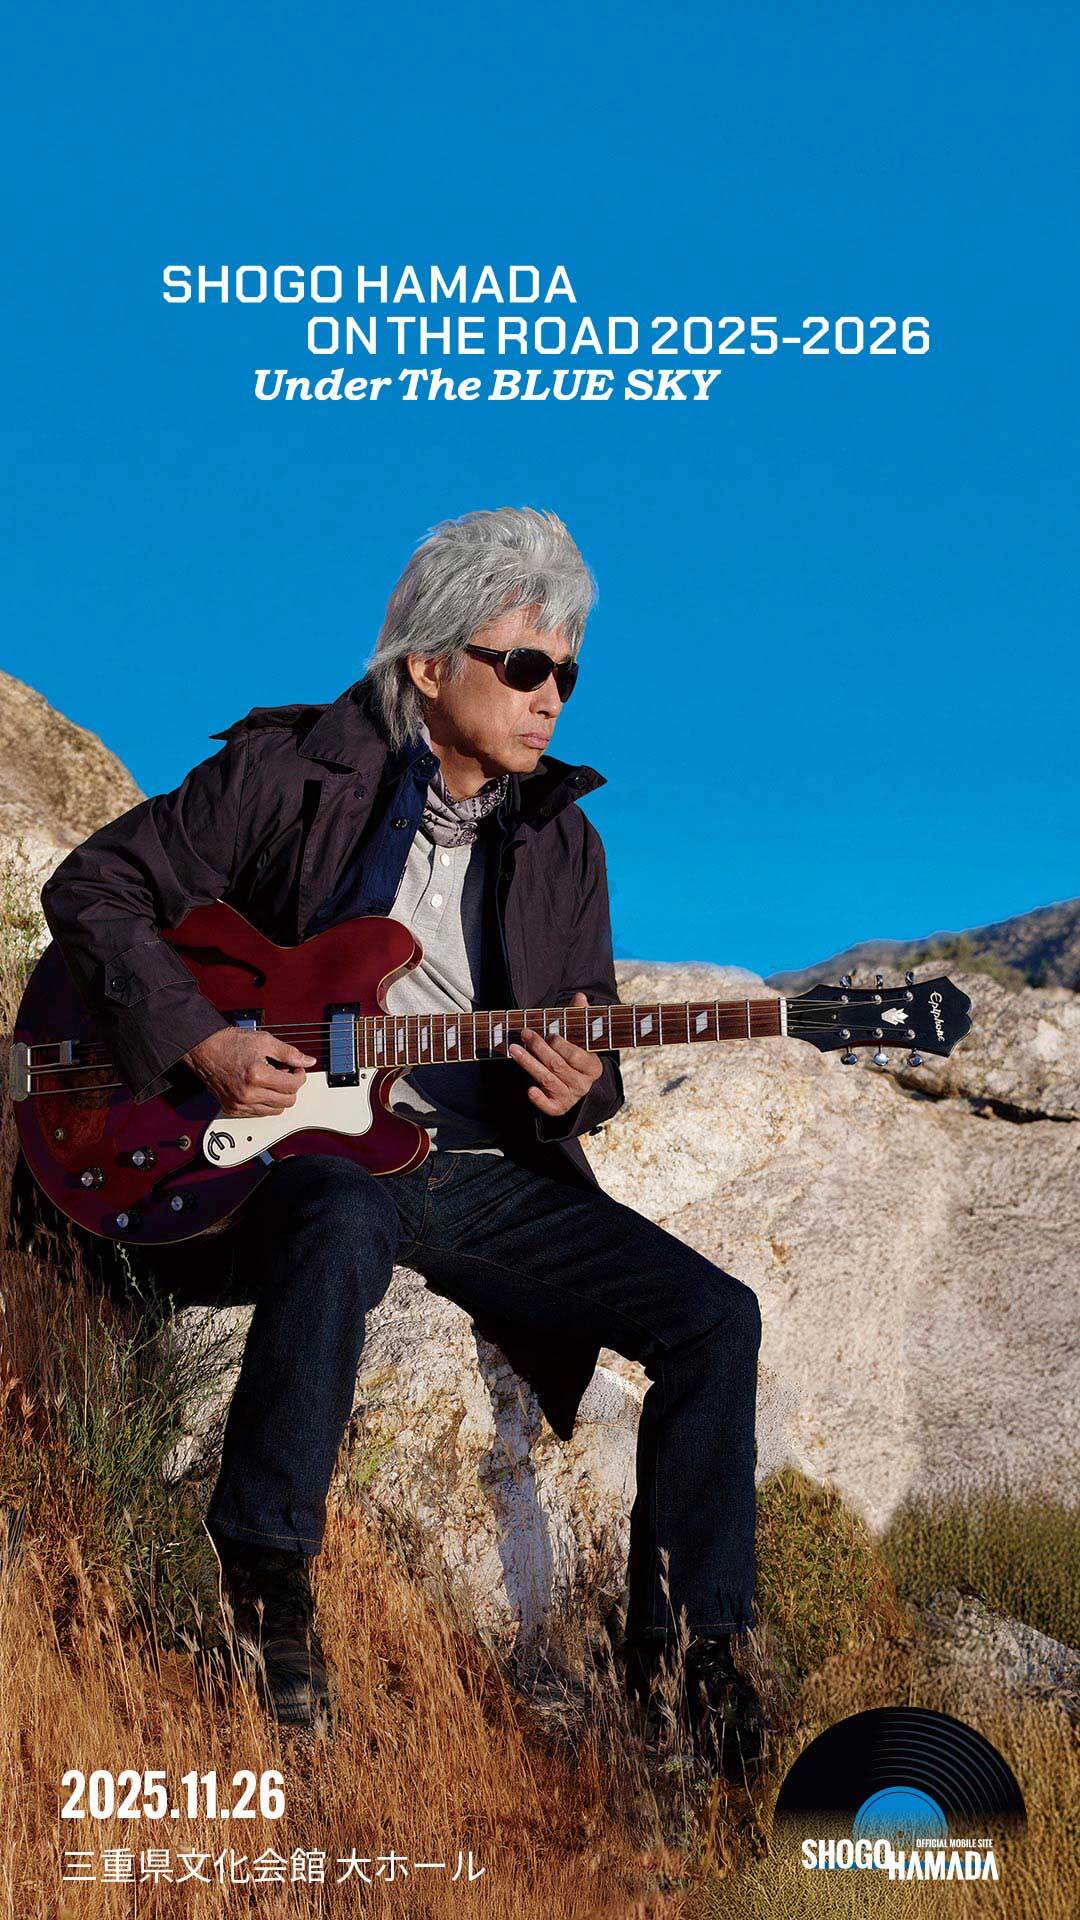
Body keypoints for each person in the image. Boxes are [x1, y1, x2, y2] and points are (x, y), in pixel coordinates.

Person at [35, 507, 764, 1775]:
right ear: (430, 664)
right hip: (283, 1156)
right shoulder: (291, 773)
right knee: (340, 1210)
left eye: (567, 673)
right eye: (523, 665)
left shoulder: (563, 841)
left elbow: (586, 1038)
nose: (550, 698)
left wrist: (575, 1087)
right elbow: (93, 887)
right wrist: (200, 1041)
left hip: (472, 1173)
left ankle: (687, 1660)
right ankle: (266, 1582)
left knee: (716, 1318)